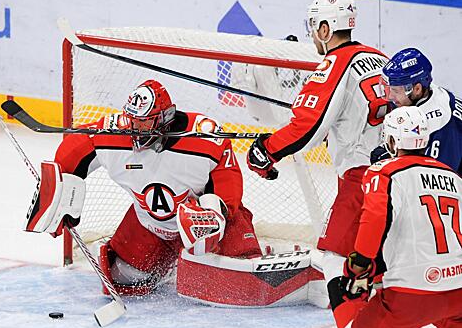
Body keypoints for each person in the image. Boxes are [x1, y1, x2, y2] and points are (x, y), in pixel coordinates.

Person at [23, 79, 324, 306]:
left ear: (166, 117)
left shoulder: (204, 137)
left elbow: (228, 176)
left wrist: (216, 210)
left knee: (240, 281)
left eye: (145, 123)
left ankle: (249, 252)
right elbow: (76, 149)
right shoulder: (114, 134)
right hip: (150, 224)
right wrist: (57, 191)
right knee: (126, 279)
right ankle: (174, 260)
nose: (136, 131)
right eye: (133, 121)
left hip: (206, 222)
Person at [246, 0, 390, 328]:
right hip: (398, 174)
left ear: (326, 28)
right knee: (378, 266)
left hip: (362, 180)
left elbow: (306, 126)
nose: (313, 36)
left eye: (315, 27)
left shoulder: (334, 63)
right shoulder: (380, 58)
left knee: (335, 258)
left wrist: (266, 149)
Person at [340, 105, 462, 328]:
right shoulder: (454, 177)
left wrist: (359, 266)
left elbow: (374, 219)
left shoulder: (383, 172)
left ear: (393, 140)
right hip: (458, 291)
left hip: (409, 295)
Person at [373, 47, 462, 174]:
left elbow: (438, 176)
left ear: (417, 89)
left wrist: (392, 162)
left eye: (396, 91)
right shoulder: (424, 94)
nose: (391, 97)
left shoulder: (440, 124)